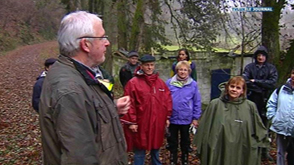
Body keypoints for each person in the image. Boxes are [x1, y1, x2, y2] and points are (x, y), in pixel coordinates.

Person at [39, 11, 130, 165]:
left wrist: (112, 108)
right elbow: (79, 158)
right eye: (102, 37)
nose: (107, 42)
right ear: (85, 45)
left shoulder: (80, 73)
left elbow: (86, 115)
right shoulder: (69, 91)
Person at [194, 76, 269, 165]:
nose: (234, 90)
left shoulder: (250, 106)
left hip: (241, 148)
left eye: (238, 88)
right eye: (232, 86)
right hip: (219, 147)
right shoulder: (215, 105)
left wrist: (260, 141)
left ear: (242, 91)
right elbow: (205, 128)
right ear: (227, 87)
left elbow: (258, 128)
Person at [121, 54, 173, 165]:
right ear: (141, 66)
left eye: (152, 65)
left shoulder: (160, 83)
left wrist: (167, 116)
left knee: (156, 148)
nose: (149, 68)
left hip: (157, 122)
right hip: (141, 121)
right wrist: (132, 121)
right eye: (147, 65)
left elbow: (167, 101)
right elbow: (129, 102)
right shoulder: (133, 83)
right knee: (140, 149)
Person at [242, 45, 278, 160]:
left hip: (265, 101)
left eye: (262, 55)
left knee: (264, 127)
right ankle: (250, 150)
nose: (260, 57)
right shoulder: (249, 67)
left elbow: (272, 83)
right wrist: (258, 86)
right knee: (250, 126)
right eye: (258, 55)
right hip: (252, 99)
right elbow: (246, 81)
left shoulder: (271, 68)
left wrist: (256, 81)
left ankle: (264, 151)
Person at [166, 61, 202, 165]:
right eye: (181, 69)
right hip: (172, 117)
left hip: (186, 118)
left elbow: (197, 101)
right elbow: (164, 100)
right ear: (177, 70)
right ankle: (173, 159)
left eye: (185, 70)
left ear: (189, 72)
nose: (182, 72)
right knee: (172, 140)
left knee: (185, 141)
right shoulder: (169, 83)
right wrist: (166, 117)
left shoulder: (193, 84)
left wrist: (195, 118)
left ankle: (184, 159)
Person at [266, 68, 294, 165]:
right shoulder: (281, 89)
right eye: (293, 73)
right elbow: (271, 103)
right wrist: (273, 117)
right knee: (280, 153)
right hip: (280, 126)